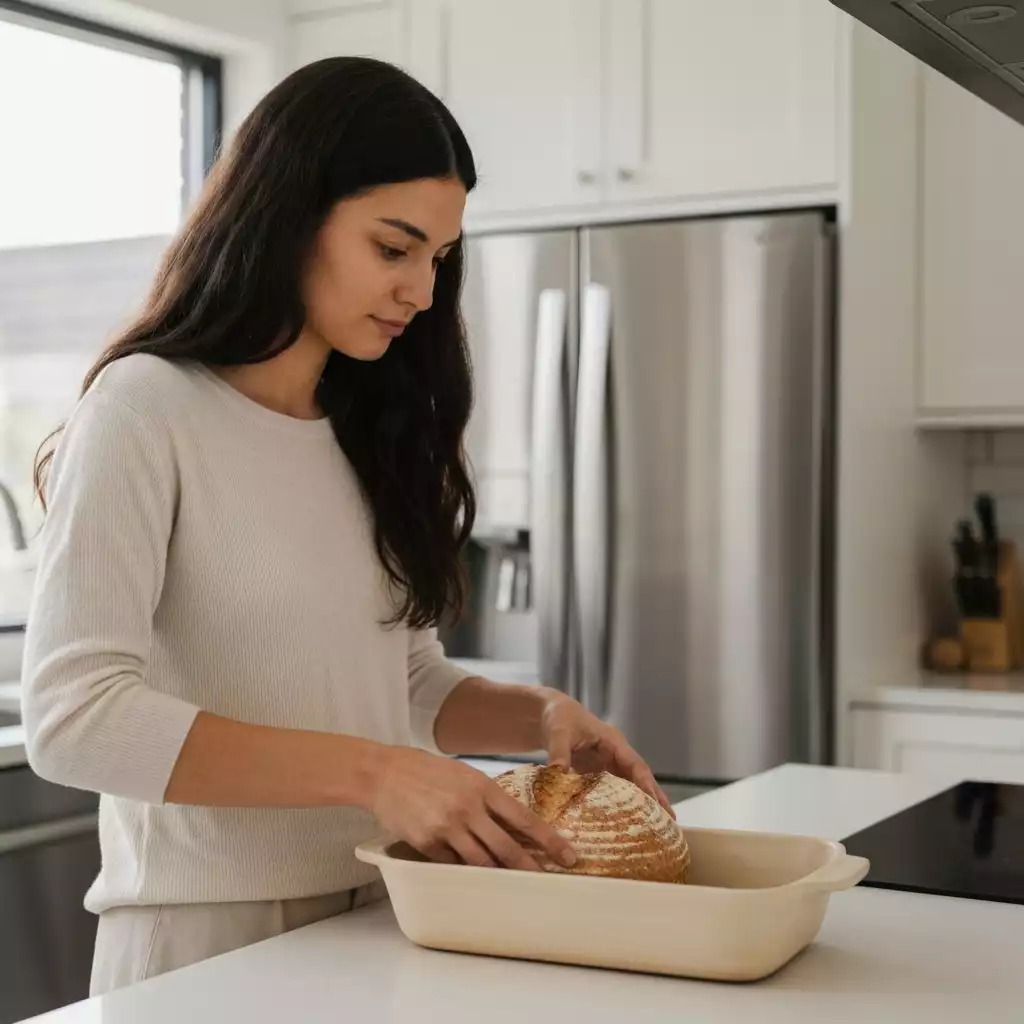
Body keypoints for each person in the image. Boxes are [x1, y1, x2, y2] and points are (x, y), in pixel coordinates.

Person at [20, 56, 672, 996]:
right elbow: (75, 718)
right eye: (394, 248)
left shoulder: (367, 432)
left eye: (439, 260)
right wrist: (376, 774)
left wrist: (536, 716)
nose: (421, 290)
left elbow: (401, 679)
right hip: (204, 948)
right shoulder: (145, 409)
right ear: (290, 215)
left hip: (384, 922)